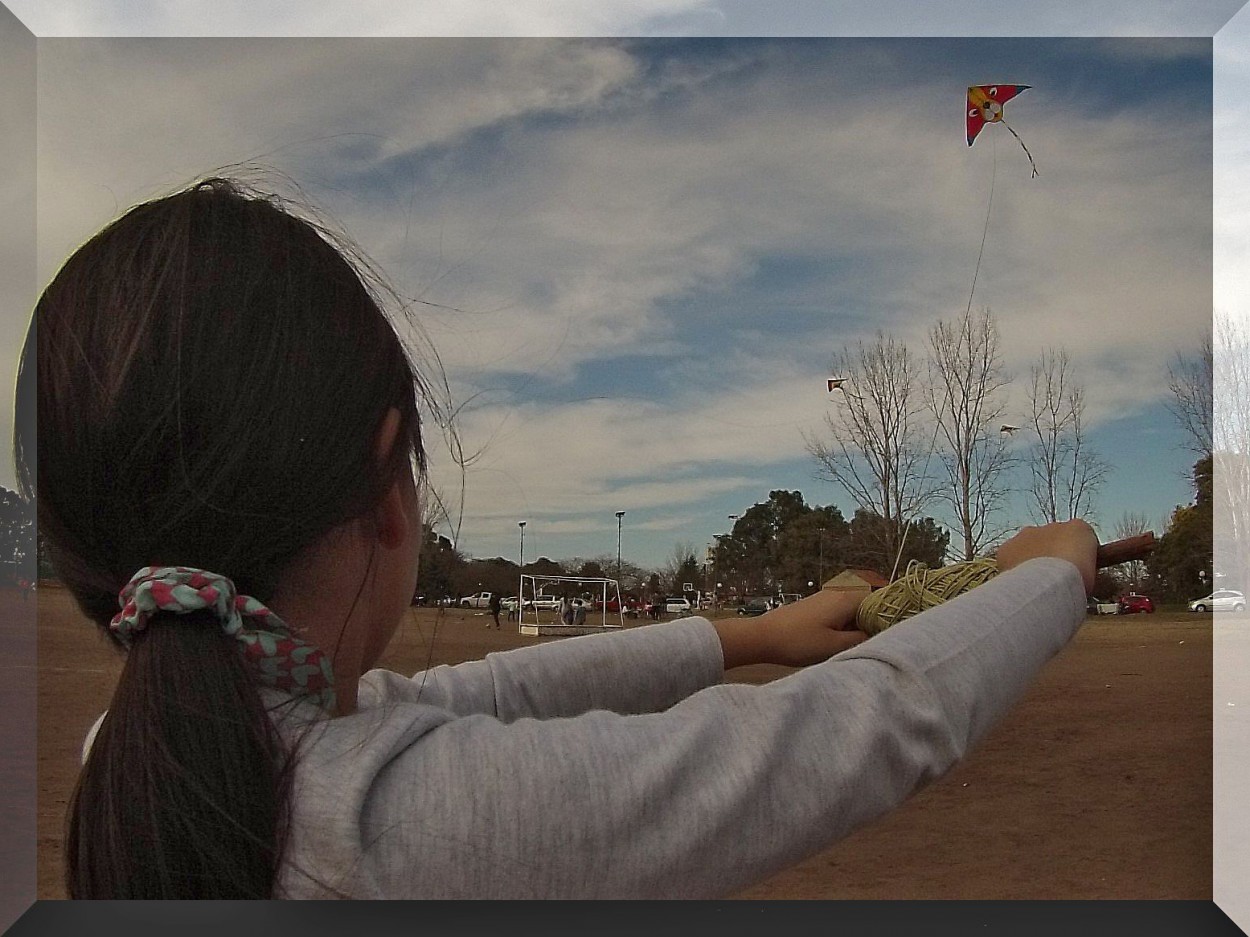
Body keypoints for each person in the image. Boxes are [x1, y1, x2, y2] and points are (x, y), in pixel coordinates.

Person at [24, 176, 1098, 900]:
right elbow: (870, 724)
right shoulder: (392, 825)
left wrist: (750, 634)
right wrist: (1049, 573)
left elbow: (488, 694)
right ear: (383, 490)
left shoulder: (142, 751)